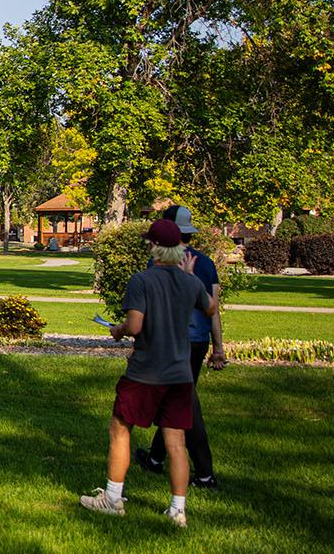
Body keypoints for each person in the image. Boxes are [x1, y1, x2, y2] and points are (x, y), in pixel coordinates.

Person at [79, 219, 220, 528]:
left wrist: (118, 330)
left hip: (145, 372)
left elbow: (135, 325)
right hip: (180, 374)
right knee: (176, 442)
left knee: (120, 428)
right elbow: (210, 308)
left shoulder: (141, 280)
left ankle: (113, 499)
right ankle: (177, 510)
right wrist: (192, 279)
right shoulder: (190, 282)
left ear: (155, 247)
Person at [135, 205, 226, 489]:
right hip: (197, 341)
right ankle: (155, 459)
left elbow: (152, 309)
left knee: (186, 405)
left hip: (173, 341)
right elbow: (213, 309)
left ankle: (204, 472)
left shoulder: (159, 265)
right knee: (173, 399)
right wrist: (218, 346)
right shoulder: (207, 263)